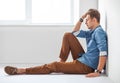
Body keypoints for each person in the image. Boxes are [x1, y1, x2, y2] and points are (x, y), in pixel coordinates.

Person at [4, 9, 108, 77]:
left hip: (86, 66)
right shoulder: (91, 32)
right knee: (68, 35)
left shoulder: (98, 32)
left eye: (87, 20)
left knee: (54, 65)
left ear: (94, 20)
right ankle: (62, 62)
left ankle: (22, 70)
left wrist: (98, 72)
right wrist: (81, 18)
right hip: (84, 58)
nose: (85, 22)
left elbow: (103, 52)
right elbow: (75, 32)